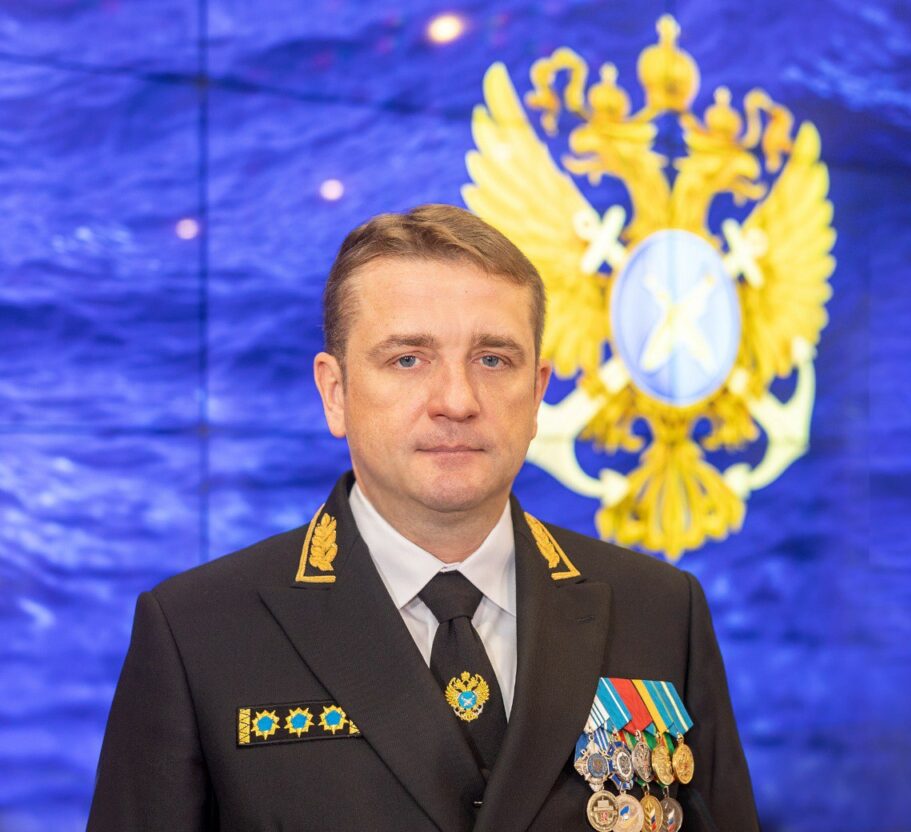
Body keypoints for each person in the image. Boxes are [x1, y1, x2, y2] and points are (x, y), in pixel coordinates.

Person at [87, 204, 758, 831]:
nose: (457, 400)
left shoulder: (660, 612)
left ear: (536, 395)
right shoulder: (199, 634)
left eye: (493, 359)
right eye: (408, 359)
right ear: (335, 392)